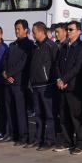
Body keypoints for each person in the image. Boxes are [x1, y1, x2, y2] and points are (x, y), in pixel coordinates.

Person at [55, 20, 82, 155]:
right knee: (63, 116)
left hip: (74, 87)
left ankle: (80, 142)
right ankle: (68, 141)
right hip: (61, 87)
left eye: (71, 30)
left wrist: (64, 79)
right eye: (67, 30)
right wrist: (59, 79)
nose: (68, 32)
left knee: (76, 116)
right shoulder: (63, 47)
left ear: (79, 32)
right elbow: (56, 65)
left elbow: (77, 68)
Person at [27, 22, 59, 150]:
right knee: (38, 114)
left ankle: (50, 140)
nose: (33, 35)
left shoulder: (51, 45)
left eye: (34, 32)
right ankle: (38, 138)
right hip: (35, 85)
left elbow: (55, 65)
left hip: (47, 85)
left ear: (41, 32)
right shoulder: (35, 47)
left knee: (49, 115)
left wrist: (53, 80)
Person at [3, 22, 32, 147]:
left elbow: (23, 63)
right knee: (10, 109)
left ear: (25, 30)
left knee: (20, 111)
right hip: (8, 81)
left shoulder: (29, 45)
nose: (16, 31)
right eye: (15, 29)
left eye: (19, 29)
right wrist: (4, 73)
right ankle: (12, 134)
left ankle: (23, 136)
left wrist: (10, 74)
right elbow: (5, 59)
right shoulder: (13, 44)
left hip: (19, 82)